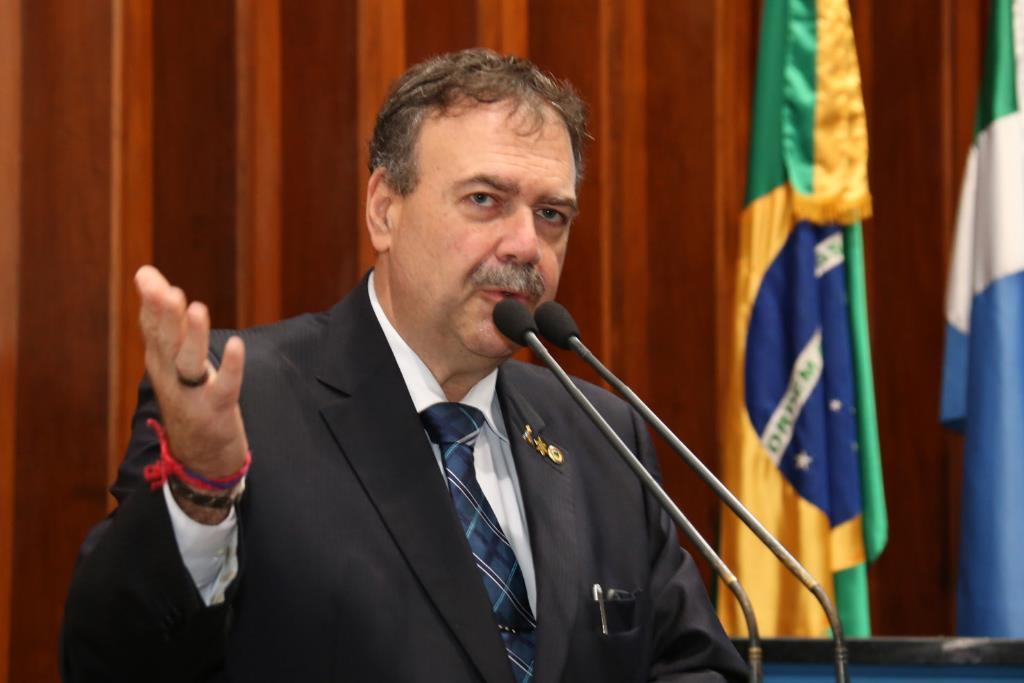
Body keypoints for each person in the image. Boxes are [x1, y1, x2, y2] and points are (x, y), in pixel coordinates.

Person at [62, 49, 748, 682]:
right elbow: (112, 661)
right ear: (384, 209)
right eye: (485, 200)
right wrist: (201, 496)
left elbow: (694, 665)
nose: (525, 243)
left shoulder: (603, 431)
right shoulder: (240, 402)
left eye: (551, 214)